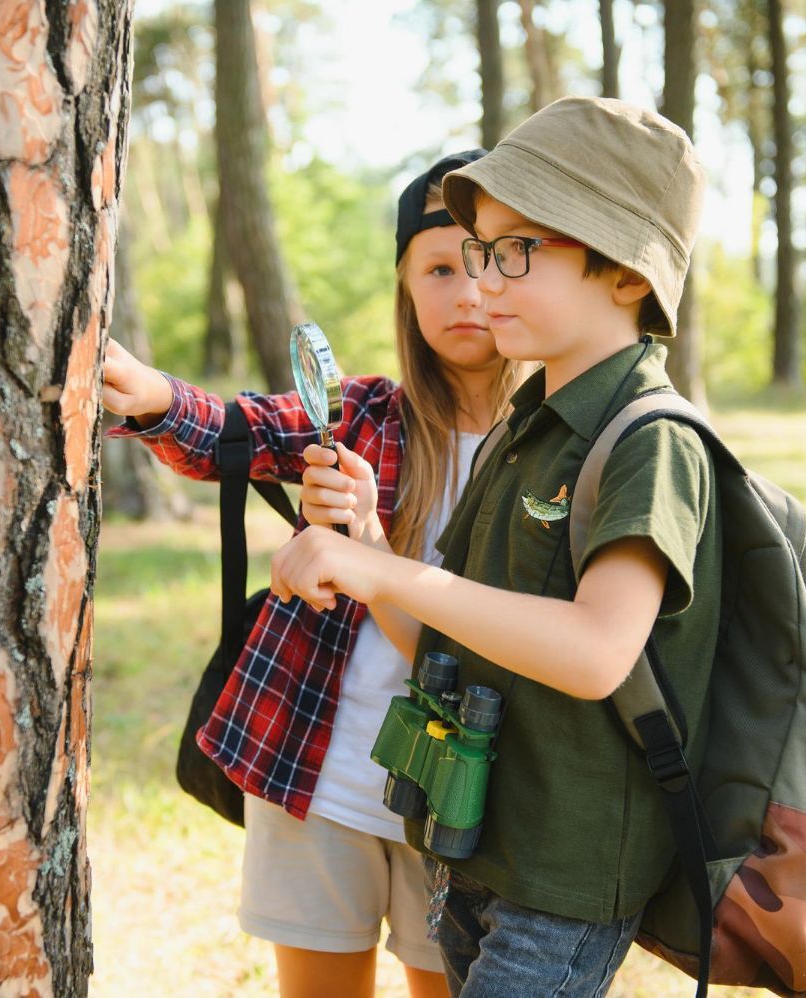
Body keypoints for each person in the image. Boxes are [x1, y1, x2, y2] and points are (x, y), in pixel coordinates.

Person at [269, 96, 721, 997]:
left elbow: (597, 652)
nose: (482, 282)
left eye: (516, 251)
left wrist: (385, 567)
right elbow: (443, 636)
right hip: (478, 848)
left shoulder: (648, 440)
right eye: (478, 252)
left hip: (563, 878)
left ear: (628, 272)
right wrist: (364, 543)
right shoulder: (529, 429)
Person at [101, 149, 519, 998]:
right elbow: (233, 429)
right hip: (318, 772)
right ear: (405, 288)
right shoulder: (362, 414)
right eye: (438, 267)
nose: (466, 291)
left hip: (466, 797)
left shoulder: (557, 453)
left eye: (485, 261)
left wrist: (366, 539)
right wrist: (148, 394)